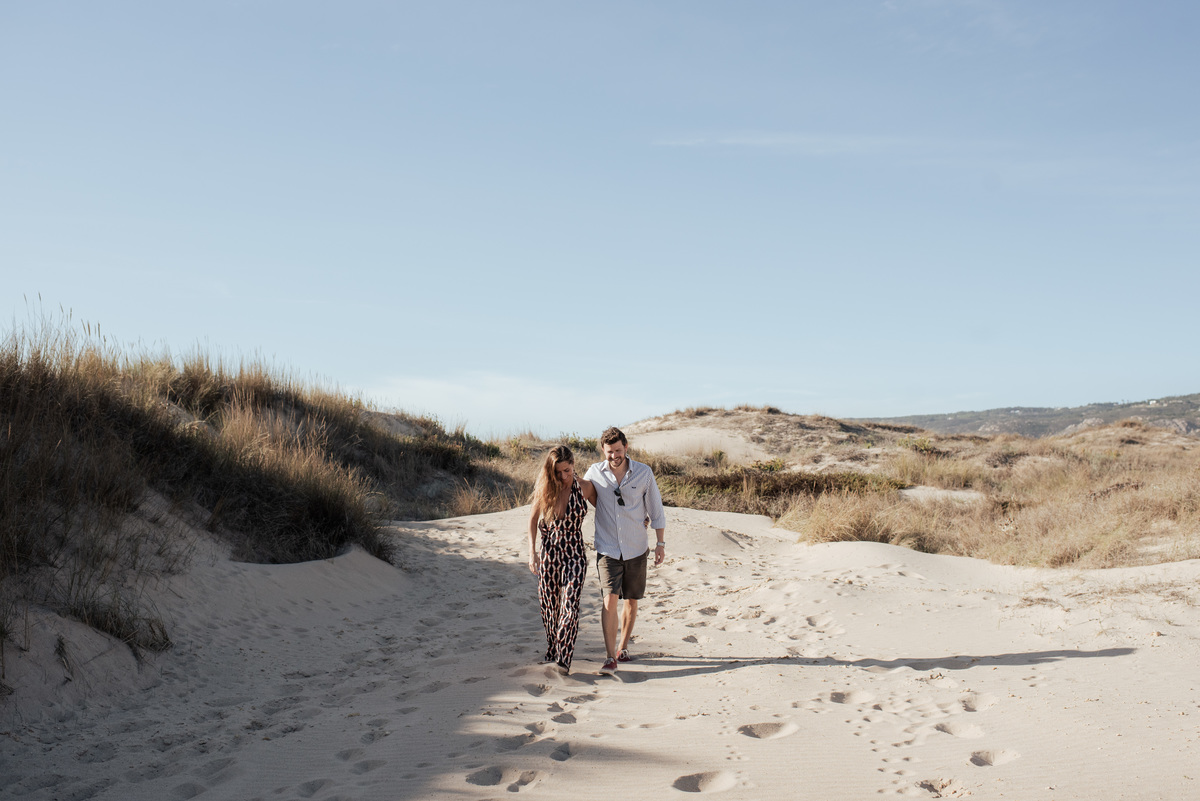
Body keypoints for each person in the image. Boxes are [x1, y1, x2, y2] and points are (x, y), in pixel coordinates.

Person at [583, 427, 666, 674]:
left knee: (631, 599)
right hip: (608, 549)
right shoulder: (594, 473)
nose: (614, 456)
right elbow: (584, 494)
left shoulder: (643, 473)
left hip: (637, 548)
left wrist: (660, 543)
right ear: (603, 451)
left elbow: (656, 509)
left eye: (618, 451)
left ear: (626, 447)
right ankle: (610, 657)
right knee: (609, 600)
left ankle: (623, 647)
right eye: (609, 452)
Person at [527, 445, 597, 674]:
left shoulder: (585, 488)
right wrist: (532, 553)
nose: (564, 476)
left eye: (567, 470)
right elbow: (532, 521)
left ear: (574, 465)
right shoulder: (546, 488)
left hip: (575, 554)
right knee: (550, 607)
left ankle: (563, 660)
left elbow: (609, 510)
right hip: (549, 553)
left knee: (570, 606)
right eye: (558, 472)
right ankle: (553, 649)